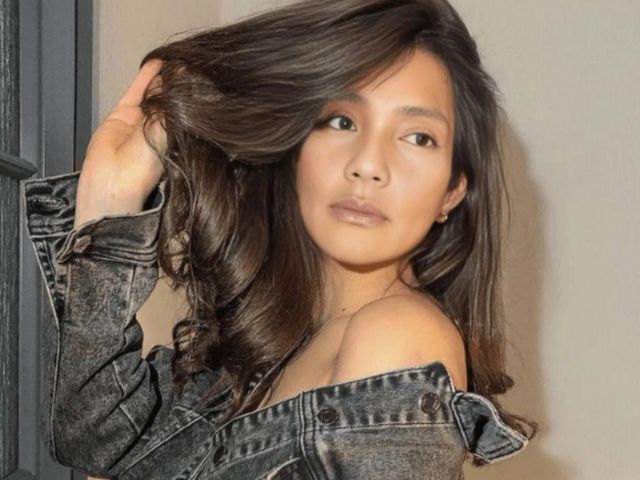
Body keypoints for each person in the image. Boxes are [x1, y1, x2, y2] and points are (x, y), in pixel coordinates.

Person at [23, 0, 538, 478]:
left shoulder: (398, 336)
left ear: (452, 191)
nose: (368, 165)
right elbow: (93, 436)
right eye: (341, 121)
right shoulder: (256, 354)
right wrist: (110, 202)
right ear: (295, 149)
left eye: (418, 137)